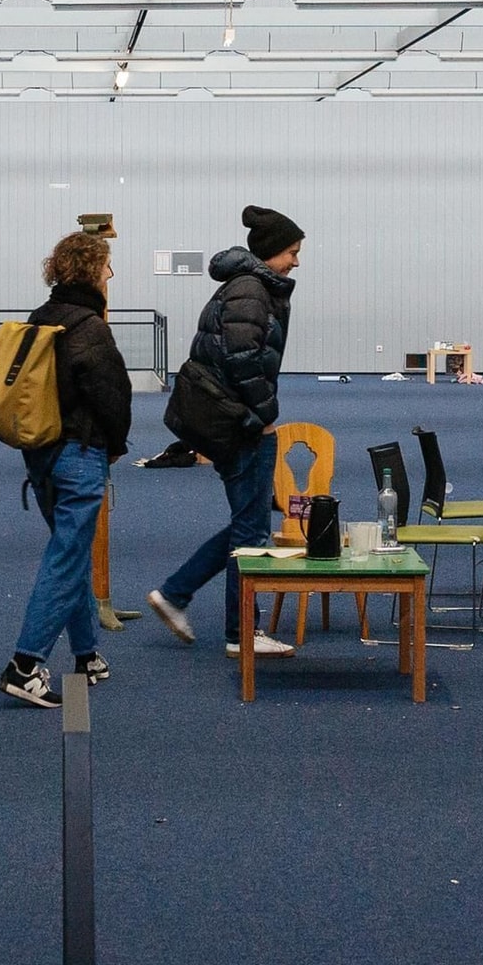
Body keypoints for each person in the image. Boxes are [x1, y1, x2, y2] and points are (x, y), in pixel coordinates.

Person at [144, 205, 301, 655]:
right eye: (292, 251)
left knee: (246, 524)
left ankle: (176, 594)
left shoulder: (247, 286)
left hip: (233, 419)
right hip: (244, 425)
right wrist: (266, 414)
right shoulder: (251, 290)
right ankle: (241, 634)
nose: (296, 261)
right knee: (250, 533)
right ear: (271, 252)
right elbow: (242, 358)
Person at [0, 230, 133, 710]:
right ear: (95, 272)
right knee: (66, 557)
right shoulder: (91, 328)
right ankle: (25, 664)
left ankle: (87, 654)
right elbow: (112, 396)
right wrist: (115, 445)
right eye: (107, 268)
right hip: (80, 453)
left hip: (40, 455)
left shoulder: (42, 318)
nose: (109, 276)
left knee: (70, 552)